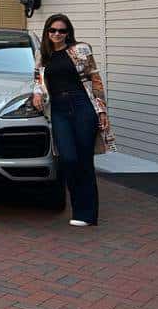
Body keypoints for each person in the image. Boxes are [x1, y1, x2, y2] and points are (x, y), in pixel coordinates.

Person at [33, 14, 115, 227]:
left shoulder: (81, 50)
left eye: (62, 31)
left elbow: (95, 79)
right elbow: (38, 80)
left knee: (85, 160)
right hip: (59, 110)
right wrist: (37, 94)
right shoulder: (42, 54)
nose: (57, 34)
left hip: (82, 107)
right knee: (68, 158)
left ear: (68, 32)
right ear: (47, 32)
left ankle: (86, 214)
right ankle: (78, 205)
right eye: (53, 30)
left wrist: (102, 111)